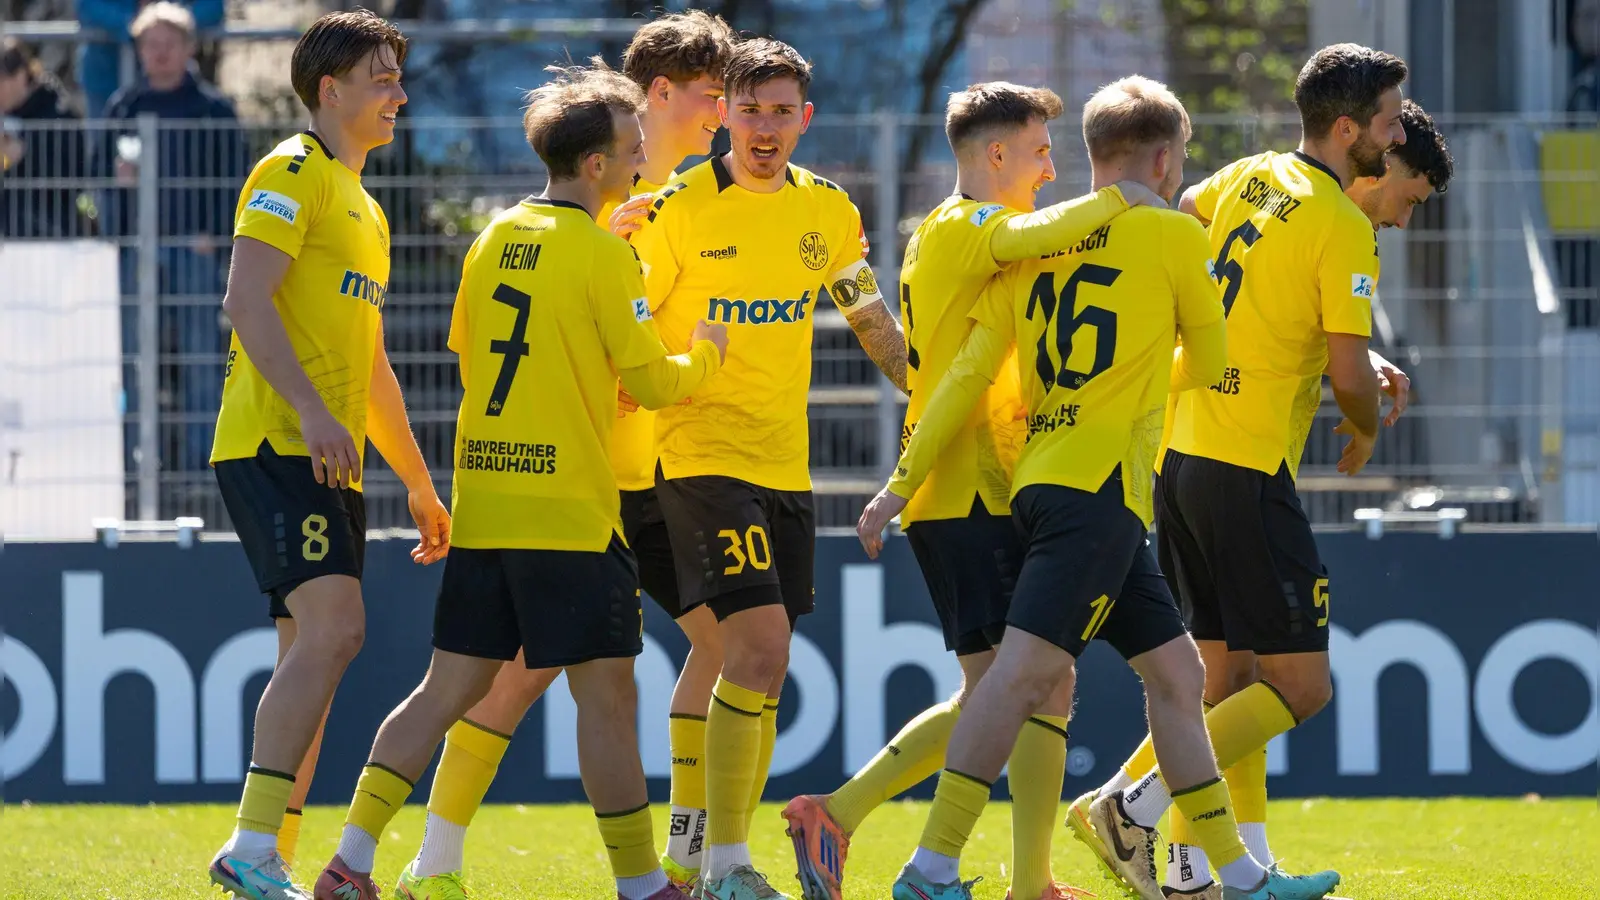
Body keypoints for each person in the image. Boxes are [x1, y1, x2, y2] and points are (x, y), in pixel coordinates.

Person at [857, 75, 1343, 900]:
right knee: (1016, 680)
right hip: (1101, 490)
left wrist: (898, 482)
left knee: (1180, 676)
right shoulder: (1172, 236)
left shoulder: (1034, 243)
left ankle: (1241, 878)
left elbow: (968, 368)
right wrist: (1146, 373)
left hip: (1041, 480)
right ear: (1163, 158)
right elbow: (1217, 364)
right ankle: (930, 867)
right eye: (1181, 159)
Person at [309, 62, 729, 900]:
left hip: (489, 506)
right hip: (570, 517)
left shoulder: (495, 235)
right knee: (608, 701)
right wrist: (709, 351)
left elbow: (472, 350)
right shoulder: (608, 258)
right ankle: (645, 886)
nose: (645, 154)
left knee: (442, 693)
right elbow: (651, 384)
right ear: (599, 165)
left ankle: (350, 860)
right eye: (633, 144)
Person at [779, 80, 1165, 900]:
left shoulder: (970, 236)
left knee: (1032, 684)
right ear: (995, 156)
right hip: (965, 487)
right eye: (1038, 152)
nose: (1052, 172)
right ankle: (858, 821)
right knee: (1015, 685)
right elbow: (971, 356)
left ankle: (1023, 877)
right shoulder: (968, 227)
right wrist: (1131, 192)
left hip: (987, 482)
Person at [1062, 45, 1412, 900]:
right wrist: (1366, 427)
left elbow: (1183, 206)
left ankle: (1203, 872)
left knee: (1227, 683)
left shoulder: (1249, 175)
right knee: (1301, 685)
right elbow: (1345, 371)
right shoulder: (1341, 223)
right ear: (1347, 128)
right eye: (1392, 120)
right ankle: (1131, 802)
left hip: (1179, 451)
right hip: (1244, 465)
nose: (1397, 133)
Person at [628, 36, 910, 900]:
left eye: (781, 111)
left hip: (784, 467)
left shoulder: (824, 211)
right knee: (759, 646)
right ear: (723, 115)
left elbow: (868, 317)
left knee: (755, 663)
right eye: (747, 108)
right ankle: (725, 863)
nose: (763, 127)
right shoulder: (677, 206)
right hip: (697, 455)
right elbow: (628, 317)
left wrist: (926, 384)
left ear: (804, 120)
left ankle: (698, 851)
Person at [206, 11, 448, 900]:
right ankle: (250, 846)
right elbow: (245, 296)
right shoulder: (291, 169)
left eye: (397, 75)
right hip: (275, 442)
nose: (398, 92)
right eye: (380, 77)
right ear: (329, 89)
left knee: (311, 654)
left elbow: (374, 361)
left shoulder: (369, 207)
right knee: (336, 633)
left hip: (328, 457)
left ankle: (274, 862)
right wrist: (309, 410)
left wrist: (419, 485)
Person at [98, 1, 246, 477]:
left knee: (201, 357)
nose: (158, 53)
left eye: (168, 44)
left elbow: (238, 182)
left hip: (193, 251)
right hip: (134, 252)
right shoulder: (123, 106)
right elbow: (96, 178)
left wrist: (217, 236)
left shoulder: (214, 110)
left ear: (188, 48)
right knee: (130, 360)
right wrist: (115, 220)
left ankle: (203, 467)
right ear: (139, 49)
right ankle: (134, 465)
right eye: (150, 44)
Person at [77, 0, 224, 122]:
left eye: (168, 44)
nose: (161, 50)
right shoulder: (118, 107)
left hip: (182, 94)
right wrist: (137, 27)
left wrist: (170, 24)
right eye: (153, 44)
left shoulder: (212, 108)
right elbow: (88, 7)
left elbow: (213, 7)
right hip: (107, 78)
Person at [0, 37, 88, 238]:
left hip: (51, 232)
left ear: (21, 76)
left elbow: (75, 178)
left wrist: (25, 154)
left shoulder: (59, 114)